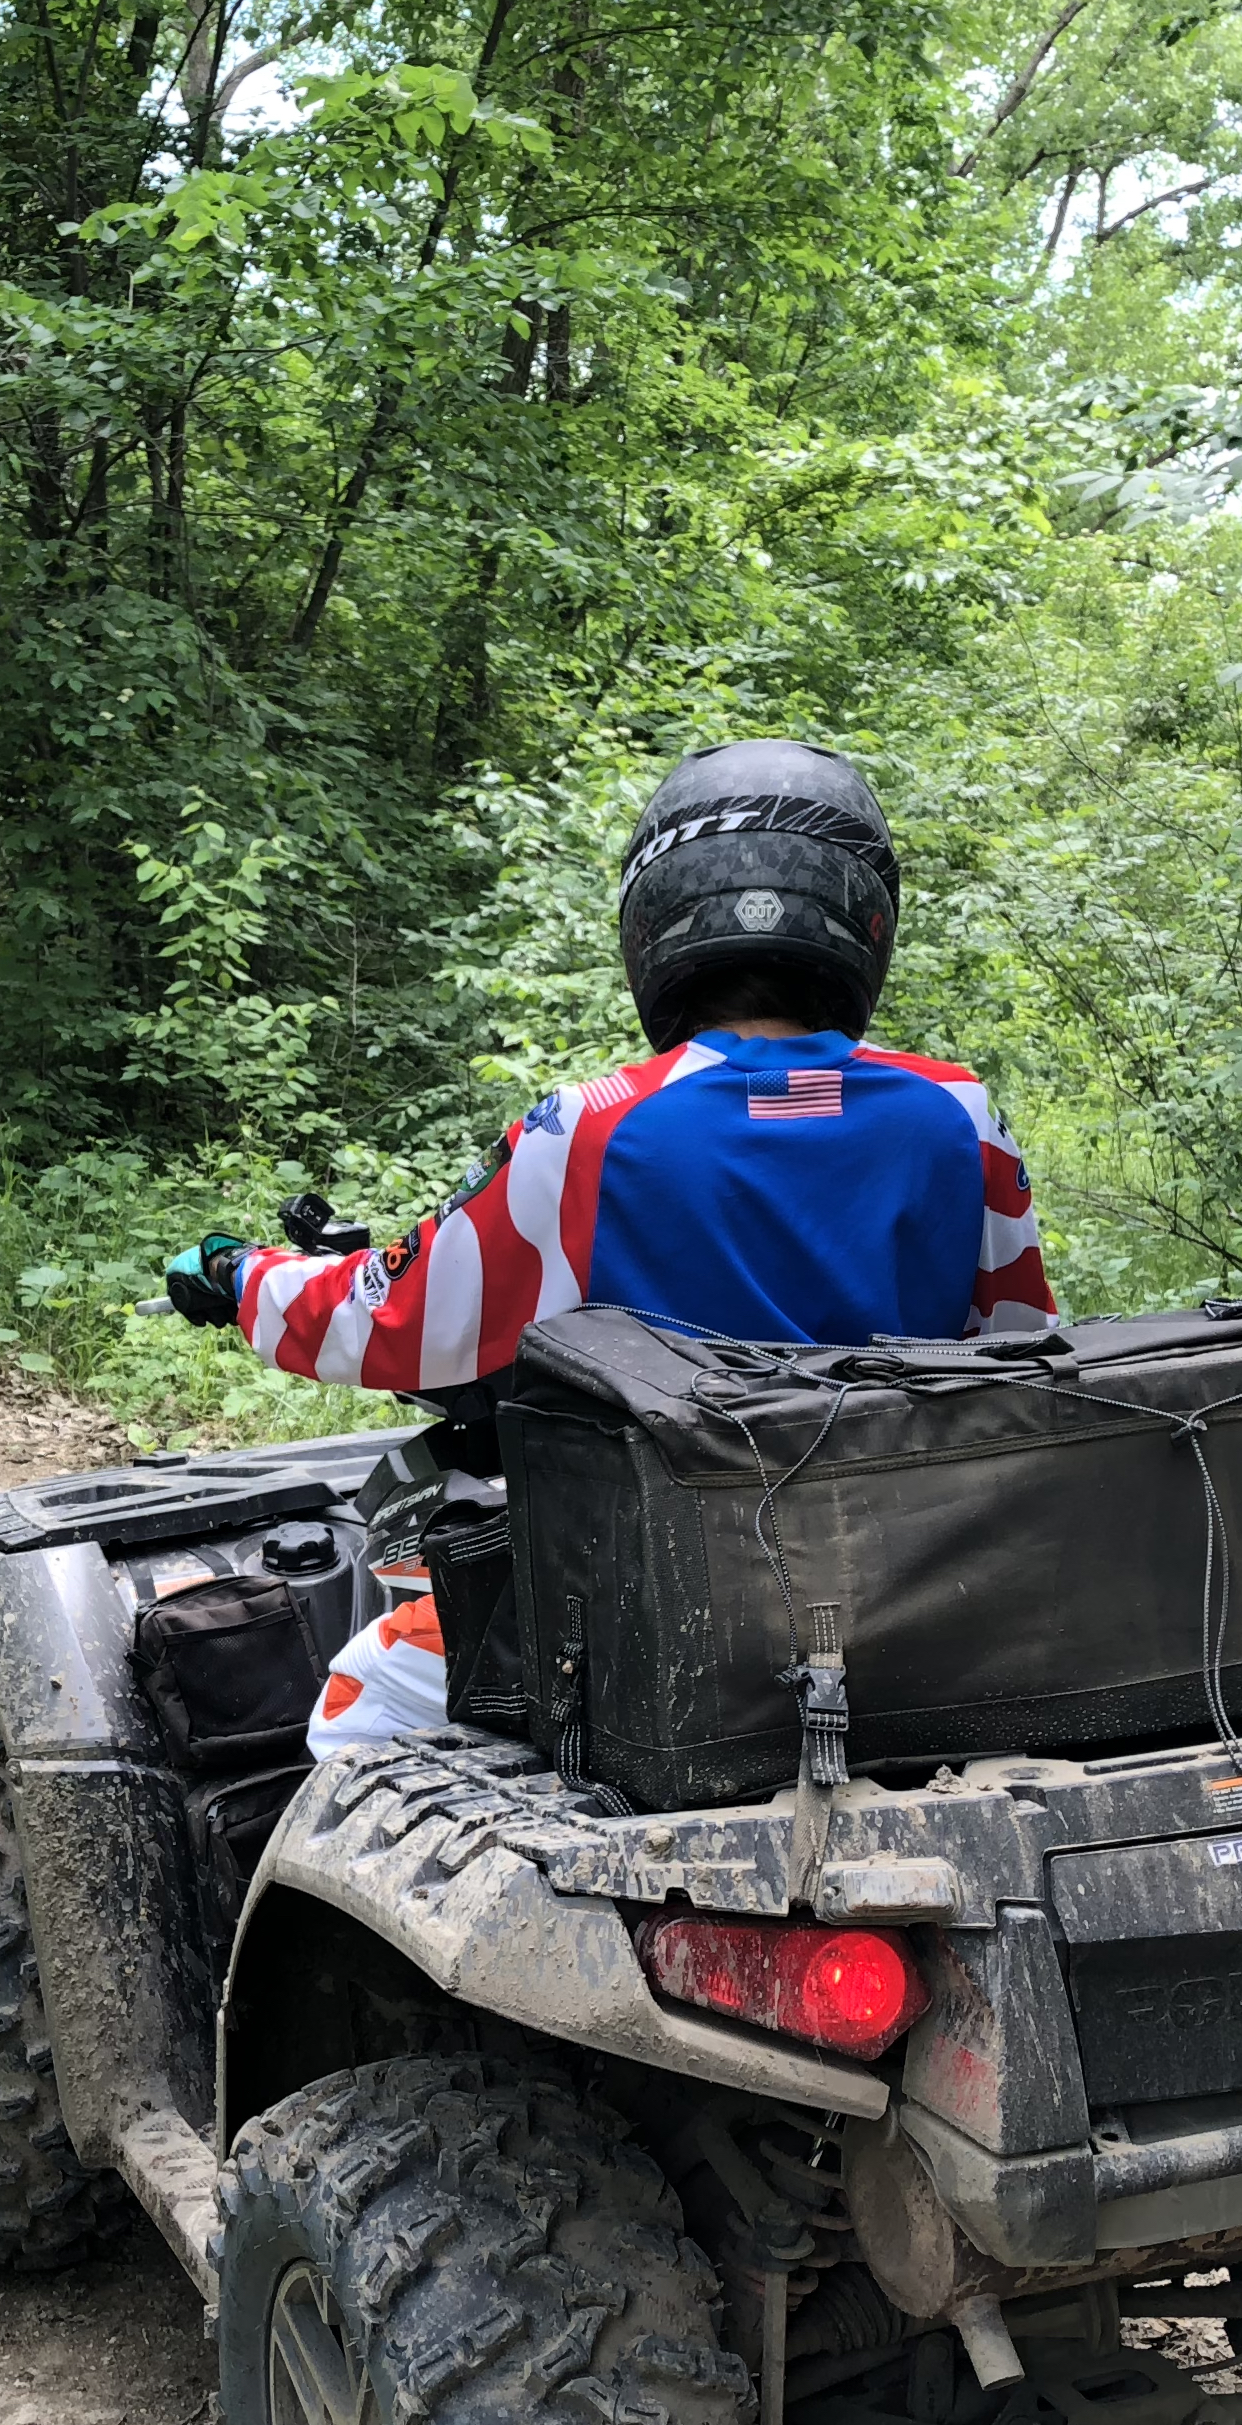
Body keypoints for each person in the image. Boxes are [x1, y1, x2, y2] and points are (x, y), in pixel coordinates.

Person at [167, 739, 1058, 1755]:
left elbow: (388, 1323)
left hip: (655, 1612)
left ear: (655, 918)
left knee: (357, 1704)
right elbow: (1021, 1354)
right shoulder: (958, 1115)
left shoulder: (593, 1131)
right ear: (866, 918)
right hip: (910, 1596)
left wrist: (242, 1276)